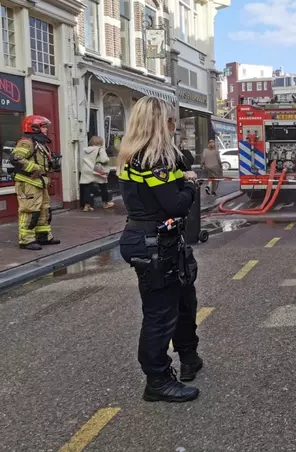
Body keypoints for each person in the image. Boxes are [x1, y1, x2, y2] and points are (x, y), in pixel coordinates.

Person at [117, 96, 203, 402]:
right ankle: (157, 379)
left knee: (183, 301)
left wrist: (183, 173)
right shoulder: (154, 160)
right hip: (154, 243)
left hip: (155, 239)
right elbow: (176, 205)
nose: (174, 125)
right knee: (159, 315)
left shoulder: (137, 155)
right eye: (170, 120)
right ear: (159, 123)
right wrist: (192, 185)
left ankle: (189, 357)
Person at [11, 115, 61, 250]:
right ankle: (26, 240)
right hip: (28, 183)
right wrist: (36, 168)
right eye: (43, 126)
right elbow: (16, 159)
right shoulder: (26, 142)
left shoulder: (40, 143)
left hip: (39, 182)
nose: (46, 129)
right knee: (29, 211)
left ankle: (43, 236)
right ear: (34, 128)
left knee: (44, 210)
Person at [79, 136, 114, 211]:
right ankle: (105, 203)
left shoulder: (86, 150)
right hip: (96, 170)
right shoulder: (100, 149)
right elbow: (104, 160)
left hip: (86, 169)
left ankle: (87, 206)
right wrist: (108, 159)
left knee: (87, 187)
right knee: (103, 186)